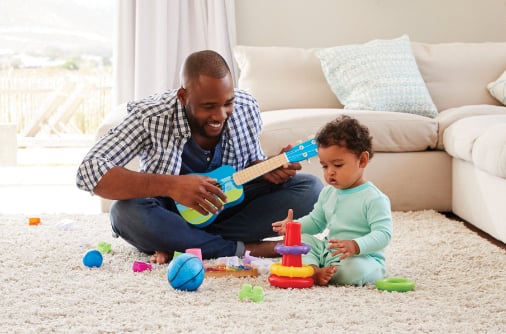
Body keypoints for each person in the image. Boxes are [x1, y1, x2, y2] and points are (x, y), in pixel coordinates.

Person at [76, 50, 322, 264]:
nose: (221, 115)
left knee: (310, 188)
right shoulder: (150, 116)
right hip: (167, 212)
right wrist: (173, 186)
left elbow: (248, 170)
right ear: (183, 97)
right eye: (208, 106)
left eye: (227, 103)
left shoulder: (246, 107)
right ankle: (241, 248)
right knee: (124, 212)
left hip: (226, 210)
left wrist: (268, 169)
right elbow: (88, 171)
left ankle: (183, 243)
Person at [272, 115, 392, 286]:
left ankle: (315, 271)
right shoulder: (328, 193)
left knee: (354, 270)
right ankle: (314, 270)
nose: (330, 172)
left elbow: (383, 234)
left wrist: (355, 246)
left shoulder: (374, 198)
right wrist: (293, 228)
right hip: (329, 251)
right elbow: (316, 222)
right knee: (302, 241)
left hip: (362, 256)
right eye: (325, 166)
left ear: (362, 160)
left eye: (337, 165)